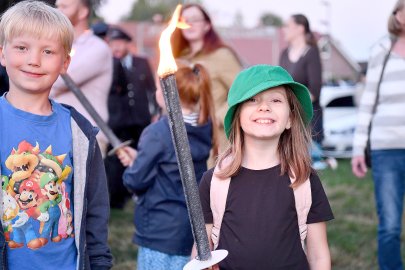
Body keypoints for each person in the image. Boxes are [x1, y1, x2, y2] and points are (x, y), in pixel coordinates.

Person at [0, 1, 112, 269]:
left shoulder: (80, 131)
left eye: (48, 51)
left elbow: (95, 213)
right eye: (22, 48)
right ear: (3, 54)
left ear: (65, 63)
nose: (34, 60)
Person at [198, 65, 334, 270]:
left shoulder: (304, 179)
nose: (264, 107)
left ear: (290, 119)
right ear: (238, 117)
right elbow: (200, 251)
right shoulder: (213, 182)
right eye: (252, 99)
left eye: (276, 100)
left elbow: (319, 256)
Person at [118, 64, 217, 270]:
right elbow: (175, 162)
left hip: (159, 230)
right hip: (189, 230)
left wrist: (132, 168)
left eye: (157, 88)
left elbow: (137, 179)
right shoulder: (204, 127)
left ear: (166, 94)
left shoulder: (158, 132)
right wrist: (140, 156)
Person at [352, 0, 405, 268]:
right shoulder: (381, 52)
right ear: (397, 16)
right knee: (390, 226)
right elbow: (367, 105)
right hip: (387, 150)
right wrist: (358, 149)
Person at [172, 3, 242, 154]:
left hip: (213, 141)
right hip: (184, 136)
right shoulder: (177, 58)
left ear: (207, 25)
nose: (189, 24)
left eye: (195, 19)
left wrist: (219, 117)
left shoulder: (222, 55)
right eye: (185, 20)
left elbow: (243, 90)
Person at [104, 26, 157, 209]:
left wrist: (155, 112)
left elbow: (151, 89)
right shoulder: (108, 64)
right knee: (118, 159)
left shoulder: (141, 62)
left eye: (120, 43)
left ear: (127, 44)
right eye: (113, 43)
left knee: (141, 155)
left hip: (141, 119)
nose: (116, 47)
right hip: (119, 120)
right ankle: (117, 197)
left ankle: (138, 193)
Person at [51, 0, 113, 156]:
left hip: (86, 134)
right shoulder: (56, 46)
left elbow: (55, 80)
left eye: (65, 6)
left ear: (83, 12)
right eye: (57, 6)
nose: (58, 11)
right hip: (57, 130)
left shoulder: (97, 48)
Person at [279, 14, 337, 170]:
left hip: (308, 119)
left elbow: (315, 90)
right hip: (287, 117)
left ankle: (324, 163)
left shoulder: (311, 53)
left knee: (308, 168)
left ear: (300, 28)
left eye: (287, 25)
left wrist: (293, 107)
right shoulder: (284, 54)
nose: (283, 30)